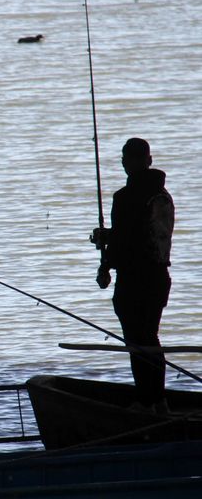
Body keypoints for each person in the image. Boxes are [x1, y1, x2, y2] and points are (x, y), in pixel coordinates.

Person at [94, 138, 174, 412]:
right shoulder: (162, 196)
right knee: (150, 338)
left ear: (127, 162)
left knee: (136, 341)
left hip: (134, 280)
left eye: (126, 159)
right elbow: (141, 235)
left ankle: (144, 400)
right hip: (159, 277)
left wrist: (105, 265)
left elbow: (126, 243)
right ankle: (158, 400)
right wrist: (112, 237)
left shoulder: (125, 197)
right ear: (149, 161)